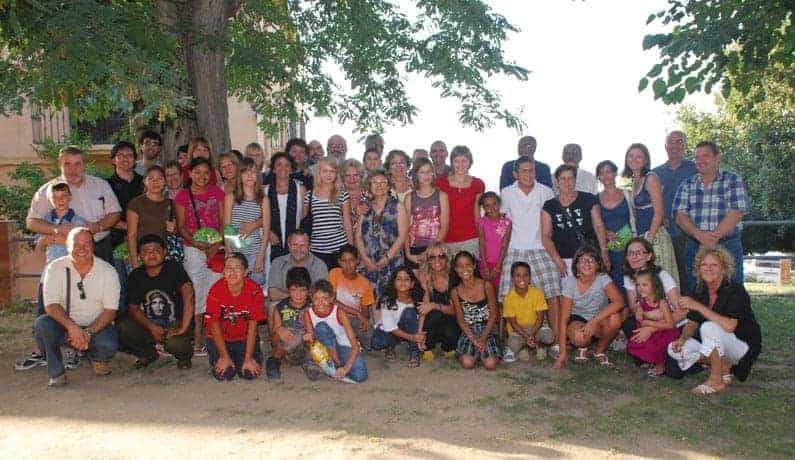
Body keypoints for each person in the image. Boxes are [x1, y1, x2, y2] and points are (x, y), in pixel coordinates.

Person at [667, 246, 761, 394]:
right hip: (717, 343)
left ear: (723, 269)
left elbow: (729, 326)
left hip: (741, 345)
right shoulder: (700, 289)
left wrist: (697, 305)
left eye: (714, 265)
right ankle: (722, 364)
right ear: (698, 269)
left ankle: (716, 380)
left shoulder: (736, 290)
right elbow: (692, 322)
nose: (708, 268)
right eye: (704, 264)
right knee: (674, 349)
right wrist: (683, 338)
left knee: (709, 327)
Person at [34, 228, 120, 387]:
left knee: (108, 342)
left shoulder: (108, 271)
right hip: (66, 326)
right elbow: (51, 305)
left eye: (86, 244)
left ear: (93, 246)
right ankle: (56, 372)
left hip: (95, 327)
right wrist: (72, 328)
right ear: (67, 246)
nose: (82, 249)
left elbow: (110, 311)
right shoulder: (55, 268)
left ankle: (97, 358)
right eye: (76, 244)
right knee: (43, 324)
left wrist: (87, 332)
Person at [15, 183, 86, 372]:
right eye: (56, 197)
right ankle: (43, 351)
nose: (60, 200)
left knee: (71, 313)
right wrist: (57, 237)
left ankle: (75, 350)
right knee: (43, 314)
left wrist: (53, 238)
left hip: (70, 276)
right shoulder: (46, 220)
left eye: (64, 196)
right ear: (51, 200)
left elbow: (78, 246)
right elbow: (40, 247)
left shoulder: (79, 221)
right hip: (48, 276)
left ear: (70, 197)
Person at [499, 157, 562, 354]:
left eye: (532, 170)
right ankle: (507, 343)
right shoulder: (507, 193)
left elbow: (550, 226)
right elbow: (502, 222)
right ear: (516, 174)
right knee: (506, 295)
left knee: (553, 293)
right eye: (524, 171)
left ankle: (557, 341)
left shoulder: (546, 192)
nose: (528, 174)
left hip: (540, 248)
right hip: (515, 248)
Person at [674, 141, 748, 294]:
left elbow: (737, 211)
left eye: (705, 156)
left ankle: (732, 319)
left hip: (728, 246)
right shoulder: (687, 184)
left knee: (733, 292)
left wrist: (712, 238)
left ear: (717, 157)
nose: (700, 160)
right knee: (696, 292)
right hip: (694, 247)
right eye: (697, 157)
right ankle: (702, 319)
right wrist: (699, 235)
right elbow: (679, 215)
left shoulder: (733, 180)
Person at [27, 146, 122, 264]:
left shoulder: (100, 185)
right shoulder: (47, 190)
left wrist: (99, 226)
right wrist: (57, 229)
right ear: (59, 165)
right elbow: (32, 222)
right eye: (67, 164)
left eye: (77, 164)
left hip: (100, 247)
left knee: (103, 281)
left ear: (84, 165)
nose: (73, 169)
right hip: (65, 250)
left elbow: (115, 213)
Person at [117, 234, 194, 369]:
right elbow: (133, 308)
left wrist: (183, 328)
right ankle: (148, 354)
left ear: (165, 252)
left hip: (175, 322)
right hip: (151, 323)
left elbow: (189, 296)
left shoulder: (174, 268)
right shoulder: (136, 275)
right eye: (145, 252)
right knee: (123, 325)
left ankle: (184, 358)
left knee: (175, 343)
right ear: (139, 255)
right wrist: (151, 327)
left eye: (156, 251)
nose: (151, 255)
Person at [174, 157, 225, 356]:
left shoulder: (217, 193)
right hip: (193, 248)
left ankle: (212, 331)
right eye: (197, 172)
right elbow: (181, 226)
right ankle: (197, 332)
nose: (202, 176)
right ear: (190, 173)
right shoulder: (182, 196)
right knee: (195, 290)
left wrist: (215, 245)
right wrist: (197, 244)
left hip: (216, 248)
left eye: (206, 173)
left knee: (213, 290)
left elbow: (222, 221)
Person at [553, 246, 624, 369]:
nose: (586, 263)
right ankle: (583, 346)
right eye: (582, 260)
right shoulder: (570, 283)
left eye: (591, 260)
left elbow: (619, 302)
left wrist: (594, 321)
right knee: (579, 337)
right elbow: (563, 319)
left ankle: (599, 350)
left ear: (598, 265)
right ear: (576, 266)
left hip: (599, 318)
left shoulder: (603, 278)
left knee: (615, 318)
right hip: (578, 319)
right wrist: (562, 353)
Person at [204, 253, 265, 381]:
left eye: (237, 267)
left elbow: (253, 326)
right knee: (225, 375)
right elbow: (213, 325)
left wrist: (248, 359)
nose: (232, 271)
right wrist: (224, 356)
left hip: (244, 338)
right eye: (228, 268)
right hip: (220, 338)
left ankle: (245, 357)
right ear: (223, 272)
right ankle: (226, 357)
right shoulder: (215, 290)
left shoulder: (255, 290)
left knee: (249, 374)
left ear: (245, 272)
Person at [623, 143, 677, 283]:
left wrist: (649, 241)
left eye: (639, 156)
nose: (634, 159)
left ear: (646, 160)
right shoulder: (634, 182)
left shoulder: (651, 177)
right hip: (642, 238)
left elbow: (659, 212)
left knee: (662, 282)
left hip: (655, 237)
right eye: (631, 155)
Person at [542, 164, 609, 277]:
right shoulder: (549, 206)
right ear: (557, 182)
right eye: (563, 178)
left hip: (590, 256)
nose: (567, 182)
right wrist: (557, 260)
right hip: (565, 259)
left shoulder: (588, 199)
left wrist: (604, 252)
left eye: (570, 178)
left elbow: (599, 226)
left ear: (575, 180)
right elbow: (545, 236)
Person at [653, 131, 697, 286]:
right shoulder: (655, 173)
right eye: (671, 142)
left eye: (679, 142)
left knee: (692, 276)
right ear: (666, 147)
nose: (675, 146)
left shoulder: (695, 170)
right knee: (667, 277)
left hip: (691, 233)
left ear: (685, 146)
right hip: (665, 233)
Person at [621, 237, 685, 345]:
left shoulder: (662, 275)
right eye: (630, 253)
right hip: (648, 317)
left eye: (638, 253)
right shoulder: (628, 277)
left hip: (669, 320)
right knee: (629, 324)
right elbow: (633, 307)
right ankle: (643, 357)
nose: (634, 257)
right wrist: (646, 314)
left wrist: (651, 328)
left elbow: (682, 312)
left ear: (649, 256)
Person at [266, 267, 324, 381]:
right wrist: (279, 331)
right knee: (280, 344)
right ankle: (273, 363)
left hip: (308, 346)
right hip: (288, 348)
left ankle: (310, 364)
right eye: (294, 290)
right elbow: (273, 340)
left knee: (314, 339)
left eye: (302, 290)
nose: (298, 295)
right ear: (288, 290)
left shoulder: (314, 305)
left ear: (309, 290)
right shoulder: (281, 307)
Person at [303, 280, 368, 382]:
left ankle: (335, 367)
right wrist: (307, 338)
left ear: (332, 298)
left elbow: (355, 345)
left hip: (343, 346)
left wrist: (346, 368)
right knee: (321, 327)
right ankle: (334, 363)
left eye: (325, 298)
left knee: (360, 376)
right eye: (316, 298)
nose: (320, 303)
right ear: (311, 298)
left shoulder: (339, 312)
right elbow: (311, 340)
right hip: (326, 349)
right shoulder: (308, 313)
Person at [357, 169, 407, 297]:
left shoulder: (398, 206)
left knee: (392, 299)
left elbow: (402, 236)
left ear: (388, 185)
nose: (379, 185)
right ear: (369, 186)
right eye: (374, 182)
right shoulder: (365, 207)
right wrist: (365, 259)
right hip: (369, 262)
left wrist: (387, 257)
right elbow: (358, 237)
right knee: (370, 300)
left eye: (383, 182)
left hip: (392, 261)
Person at [223, 157, 269, 286]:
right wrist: (229, 251)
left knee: (255, 288)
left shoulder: (263, 199)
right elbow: (227, 226)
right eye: (245, 172)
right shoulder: (231, 197)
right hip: (235, 251)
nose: (250, 175)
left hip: (254, 252)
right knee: (235, 287)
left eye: (253, 172)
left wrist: (261, 256)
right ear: (240, 175)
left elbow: (266, 231)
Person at [451, 251, 500, 370]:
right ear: (456, 269)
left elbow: (494, 315)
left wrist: (483, 337)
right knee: (467, 363)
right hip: (469, 331)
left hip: (488, 329)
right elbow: (461, 320)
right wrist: (473, 339)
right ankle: (476, 353)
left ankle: (484, 354)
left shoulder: (486, 286)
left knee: (491, 364)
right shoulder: (455, 292)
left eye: (468, 264)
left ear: (474, 266)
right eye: (460, 266)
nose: (465, 269)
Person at [625, 269, 678, 376]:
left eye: (644, 285)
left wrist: (650, 323)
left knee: (654, 346)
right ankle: (650, 361)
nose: (640, 288)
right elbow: (639, 319)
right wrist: (639, 312)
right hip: (651, 333)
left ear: (654, 286)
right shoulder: (641, 302)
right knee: (638, 342)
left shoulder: (662, 303)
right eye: (638, 285)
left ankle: (660, 366)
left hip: (664, 333)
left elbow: (670, 325)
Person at [303, 157, 353, 269]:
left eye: (332, 171)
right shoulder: (309, 196)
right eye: (325, 171)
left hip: (340, 247)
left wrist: (351, 249)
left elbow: (347, 223)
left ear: (336, 174)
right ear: (319, 173)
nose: (328, 175)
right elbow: (306, 224)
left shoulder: (343, 195)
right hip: (317, 249)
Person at [371, 266, 426, 367]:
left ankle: (414, 353)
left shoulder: (417, 299)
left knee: (409, 312)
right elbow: (389, 327)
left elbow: (421, 319)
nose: (403, 282)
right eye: (399, 279)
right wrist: (413, 337)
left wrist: (419, 337)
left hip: (408, 329)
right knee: (377, 343)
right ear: (393, 282)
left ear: (412, 284)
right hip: (390, 331)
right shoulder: (387, 300)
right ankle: (390, 346)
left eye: (406, 279)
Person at [435, 145, 485, 257]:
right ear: (451, 163)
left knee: (470, 272)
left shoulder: (478, 184)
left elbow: (477, 212)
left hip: (471, 238)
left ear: (470, 162)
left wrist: (481, 237)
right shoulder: (440, 183)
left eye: (464, 161)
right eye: (456, 161)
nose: (460, 165)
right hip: (446, 238)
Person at [415, 242, 460, 360]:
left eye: (441, 256)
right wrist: (419, 333)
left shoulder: (454, 276)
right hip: (433, 319)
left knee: (444, 318)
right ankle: (428, 346)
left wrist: (434, 305)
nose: (437, 260)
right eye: (433, 257)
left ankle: (448, 346)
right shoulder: (424, 276)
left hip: (451, 317)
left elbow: (455, 310)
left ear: (447, 258)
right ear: (428, 260)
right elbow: (423, 309)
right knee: (434, 315)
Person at [126, 166, 177, 269]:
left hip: (164, 255)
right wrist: (134, 260)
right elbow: (131, 235)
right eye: (151, 179)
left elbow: (174, 232)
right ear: (145, 182)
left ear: (165, 182)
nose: (155, 182)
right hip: (142, 255)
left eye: (159, 178)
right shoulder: (136, 203)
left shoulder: (170, 203)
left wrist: (174, 229)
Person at [503, 261, 554, 362]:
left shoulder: (537, 293)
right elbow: (513, 323)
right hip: (518, 330)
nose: (522, 279)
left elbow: (540, 318)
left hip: (536, 327)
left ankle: (540, 346)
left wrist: (531, 334)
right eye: (518, 275)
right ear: (512, 278)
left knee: (549, 336)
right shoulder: (508, 297)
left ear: (530, 278)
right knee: (513, 342)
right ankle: (524, 348)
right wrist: (526, 336)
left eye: (525, 275)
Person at [404, 158, 449, 270]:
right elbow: (405, 228)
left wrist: (430, 252)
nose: (426, 175)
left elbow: (444, 227)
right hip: (414, 250)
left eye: (429, 171)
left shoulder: (442, 196)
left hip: (436, 250)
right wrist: (408, 254)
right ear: (416, 175)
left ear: (433, 173)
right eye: (422, 172)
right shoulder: (409, 197)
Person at [329, 245, 376, 349]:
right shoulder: (334, 273)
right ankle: (350, 341)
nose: (348, 265)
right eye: (344, 261)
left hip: (354, 320)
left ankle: (354, 339)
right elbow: (332, 301)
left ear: (357, 261)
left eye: (351, 260)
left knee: (373, 341)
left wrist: (364, 320)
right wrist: (357, 313)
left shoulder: (365, 283)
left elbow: (365, 311)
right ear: (339, 262)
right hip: (337, 317)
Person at [597, 160, 633, 292]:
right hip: (609, 248)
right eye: (601, 173)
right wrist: (606, 233)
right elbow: (595, 224)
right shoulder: (596, 199)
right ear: (598, 177)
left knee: (633, 278)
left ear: (615, 173)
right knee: (615, 282)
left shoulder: (628, 193)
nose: (605, 176)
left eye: (608, 171)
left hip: (630, 246)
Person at [264, 152, 306, 261]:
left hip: (295, 243)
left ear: (292, 169)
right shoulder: (265, 191)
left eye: (287, 165)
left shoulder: (300, 190)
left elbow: (303, 216)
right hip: (270, 241)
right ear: (273, 169)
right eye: (279, 165)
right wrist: (268, 232)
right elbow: (259, 217)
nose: (283, 168)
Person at [268, 230, 329, 303]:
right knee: (272, 306)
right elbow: (273, 294)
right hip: (284, 305)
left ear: (309, 246)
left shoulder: (319, 265)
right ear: (289, 245)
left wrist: (293, 296)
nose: (298, 249)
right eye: (295, 245)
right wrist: (299, 297)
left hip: (310, 306)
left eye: (302, 245)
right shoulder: (278, 263)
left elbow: (321, 295)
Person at [476, 192, 511, 291]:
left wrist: (498, 265)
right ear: (483, 208)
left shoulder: (507, 222)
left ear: (499, 204)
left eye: (494, 204)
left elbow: (505, 244)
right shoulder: (482, 222)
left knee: (500, 291)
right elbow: (482, 244)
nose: (491, 208)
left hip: (500, 263)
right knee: (488, 290)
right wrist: (484, 266)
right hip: (485, 263)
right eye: (487, 205)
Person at [341, 159, 368, 233]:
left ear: (361, 176)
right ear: (343, 177)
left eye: (355, 175)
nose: (352, 179)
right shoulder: (337, 197)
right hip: (342, 241)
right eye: (347, 175)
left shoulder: (370, 195)